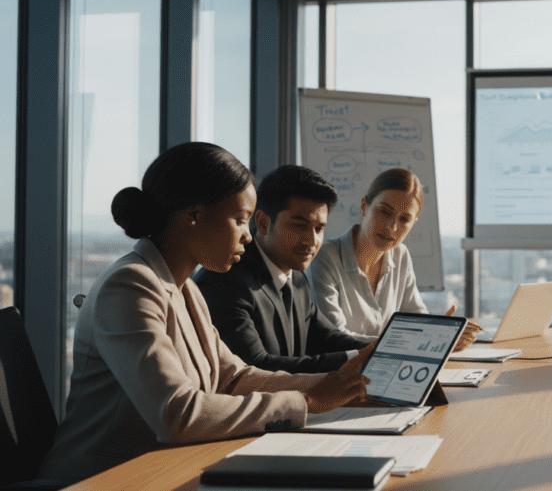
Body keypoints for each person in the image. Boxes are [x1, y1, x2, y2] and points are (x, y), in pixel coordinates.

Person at [40, 143, 370, 481]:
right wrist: (306, 402)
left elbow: (233, 377)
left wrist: (337, 386)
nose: (248, 235)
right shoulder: (129, 286)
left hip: (162, 470)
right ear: (194, 215)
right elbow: (178, 415)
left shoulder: (186, 289)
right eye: (241, 220)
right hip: (103, 480)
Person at [194, 165, 367, 373]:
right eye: (300, 226)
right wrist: (358, 359)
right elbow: (256, 367)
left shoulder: (298, 279)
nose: (312, 241)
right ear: (264, 223)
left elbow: (328, 338)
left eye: (319, 228)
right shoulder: (224, 281)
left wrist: (382, 349)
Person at [310, 168, 480, 346]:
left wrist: (441, 333)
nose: (392, 227)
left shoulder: (400, 255)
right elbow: (334, 339)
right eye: (384, 212)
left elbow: (417, 320)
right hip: (340, 371)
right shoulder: (326, 257)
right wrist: (420, 341)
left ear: (413, 223)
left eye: (404, 219)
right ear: (364, 207)